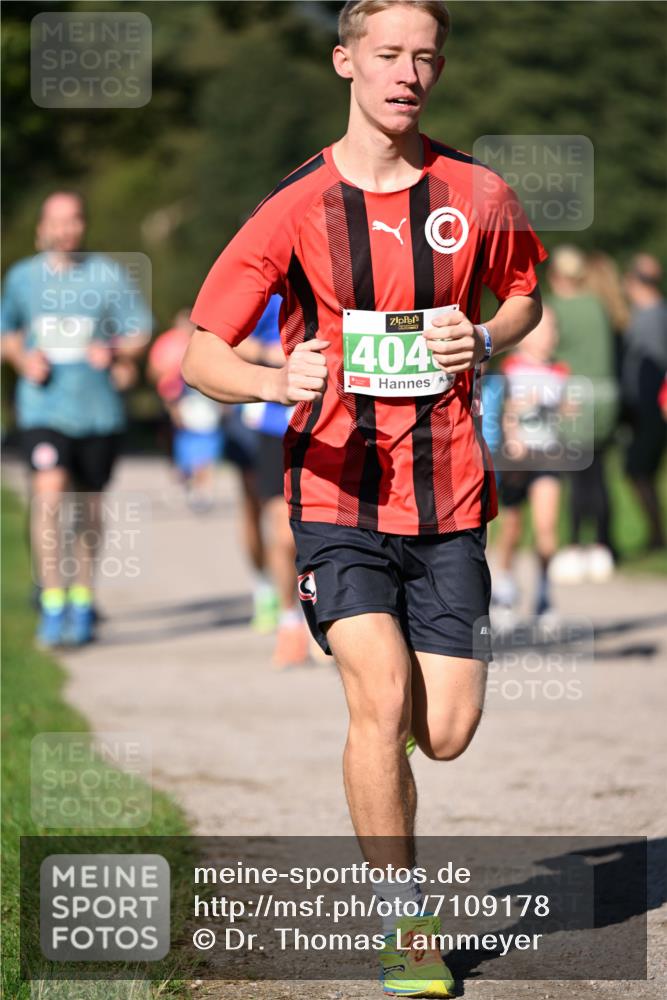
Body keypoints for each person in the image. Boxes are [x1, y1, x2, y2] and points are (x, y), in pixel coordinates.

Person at [182, 2, 545, 995]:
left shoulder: (476, 191)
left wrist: (488, 334)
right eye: (387, 54)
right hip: (336, 493)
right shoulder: (295, 206)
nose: (407, 73)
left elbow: (522, 293)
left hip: (452, 499)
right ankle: (403, 923)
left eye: (424, 57)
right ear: (346, 61)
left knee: (448, 730)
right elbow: (200, 350)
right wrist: (270, 380)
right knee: (378, 701)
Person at [1, 191, 151, 646]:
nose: (64, 230)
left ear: (82, 226)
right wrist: (23, 361)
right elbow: (6, 332)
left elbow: (139, 331)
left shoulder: (107, 276)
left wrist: (114, 350)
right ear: (42, 228)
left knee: (87, 510)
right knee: (47, 500)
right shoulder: (23, 278)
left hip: (97, 413)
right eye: (56, 222)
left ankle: (82, 599)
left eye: (73, 221)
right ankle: (51, 602)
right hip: (43, 407)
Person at [238, 294, 310, 667]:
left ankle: (327, 621)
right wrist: (275, 358)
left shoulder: (346, 270)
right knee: (283, 536)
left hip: (333, 422)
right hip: (273, 425)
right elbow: (229, 338)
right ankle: (289, 620)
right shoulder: (269, 289)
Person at [490, 306, 569, 626]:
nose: (550, 334)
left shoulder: (561, 372)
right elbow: (503, 409)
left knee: (547, 528)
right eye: (542, 327)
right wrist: (512, 434)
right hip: (516, 458)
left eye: (553, 328)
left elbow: (567, 412)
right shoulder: (510, 369)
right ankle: (504, 587)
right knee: (511, 527)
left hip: (547, 455)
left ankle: (544, 593)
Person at [547, 245, 618, 583]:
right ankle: (605, 545)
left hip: (576, 401)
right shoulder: (598, 305)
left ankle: (576, 545)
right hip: (606, 399)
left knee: (577, 478)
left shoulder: (558, 308)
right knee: (601, 475)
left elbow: (547, 350)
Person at [148, 309, 224, 513]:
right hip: (173, 399)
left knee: (205, 452)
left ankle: (202, 490)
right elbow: (153, 370)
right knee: (179, 449)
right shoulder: (166, 342)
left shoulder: (203, 344)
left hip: (201, 405)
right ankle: (183, 477)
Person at [621, 254, 667, 550]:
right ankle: (656, 536)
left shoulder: (654, 316)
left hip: (655, 407)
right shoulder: (643, 313)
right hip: (641, 408)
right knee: (640, 470)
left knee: (638, 468)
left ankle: (657, 537)